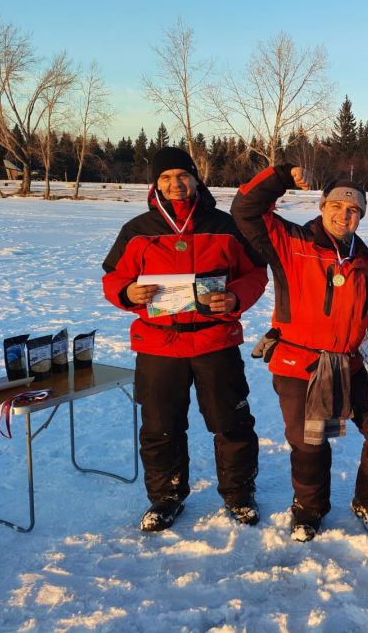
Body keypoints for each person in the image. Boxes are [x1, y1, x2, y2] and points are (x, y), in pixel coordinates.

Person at [231, 164, 368, 542]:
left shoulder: (367, 263)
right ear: (323, 206)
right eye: (338, 205)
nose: (345, 214)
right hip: (301, 364)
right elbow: (244, 209)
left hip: (352, 366)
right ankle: (309, 509)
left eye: (354, 210)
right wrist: (281, 177)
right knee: (310, 441)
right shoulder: (291, 241)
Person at [102, 147, 268, 531]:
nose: (174, 185)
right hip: (160, 345)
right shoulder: (137, 229)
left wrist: (236, 296)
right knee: (161, 427)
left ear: (196, 178)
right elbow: (113, 277)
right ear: (155, 183)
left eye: (181, 175)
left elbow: (255, 273)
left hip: (215, 342)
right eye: (165, 178)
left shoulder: (225, 225)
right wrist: (128, 294)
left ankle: (239, 492)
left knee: (232, 423)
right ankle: (166, 497)